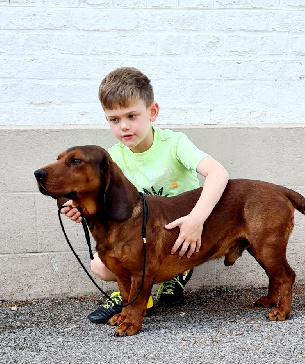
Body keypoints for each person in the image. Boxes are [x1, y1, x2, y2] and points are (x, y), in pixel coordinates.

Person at [61, 67, 229, 323]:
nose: (124, 126)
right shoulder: (111, 157)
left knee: (160, 247)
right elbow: (105, 204)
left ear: (152, 112)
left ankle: (175, 275)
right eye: (114, 120)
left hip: (181, 231)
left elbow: (218, 174)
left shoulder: (174, 143)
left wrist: (196, 220)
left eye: (131, 115)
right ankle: (137, 294)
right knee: (100, 265)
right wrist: (79, 209)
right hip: (141, 237)